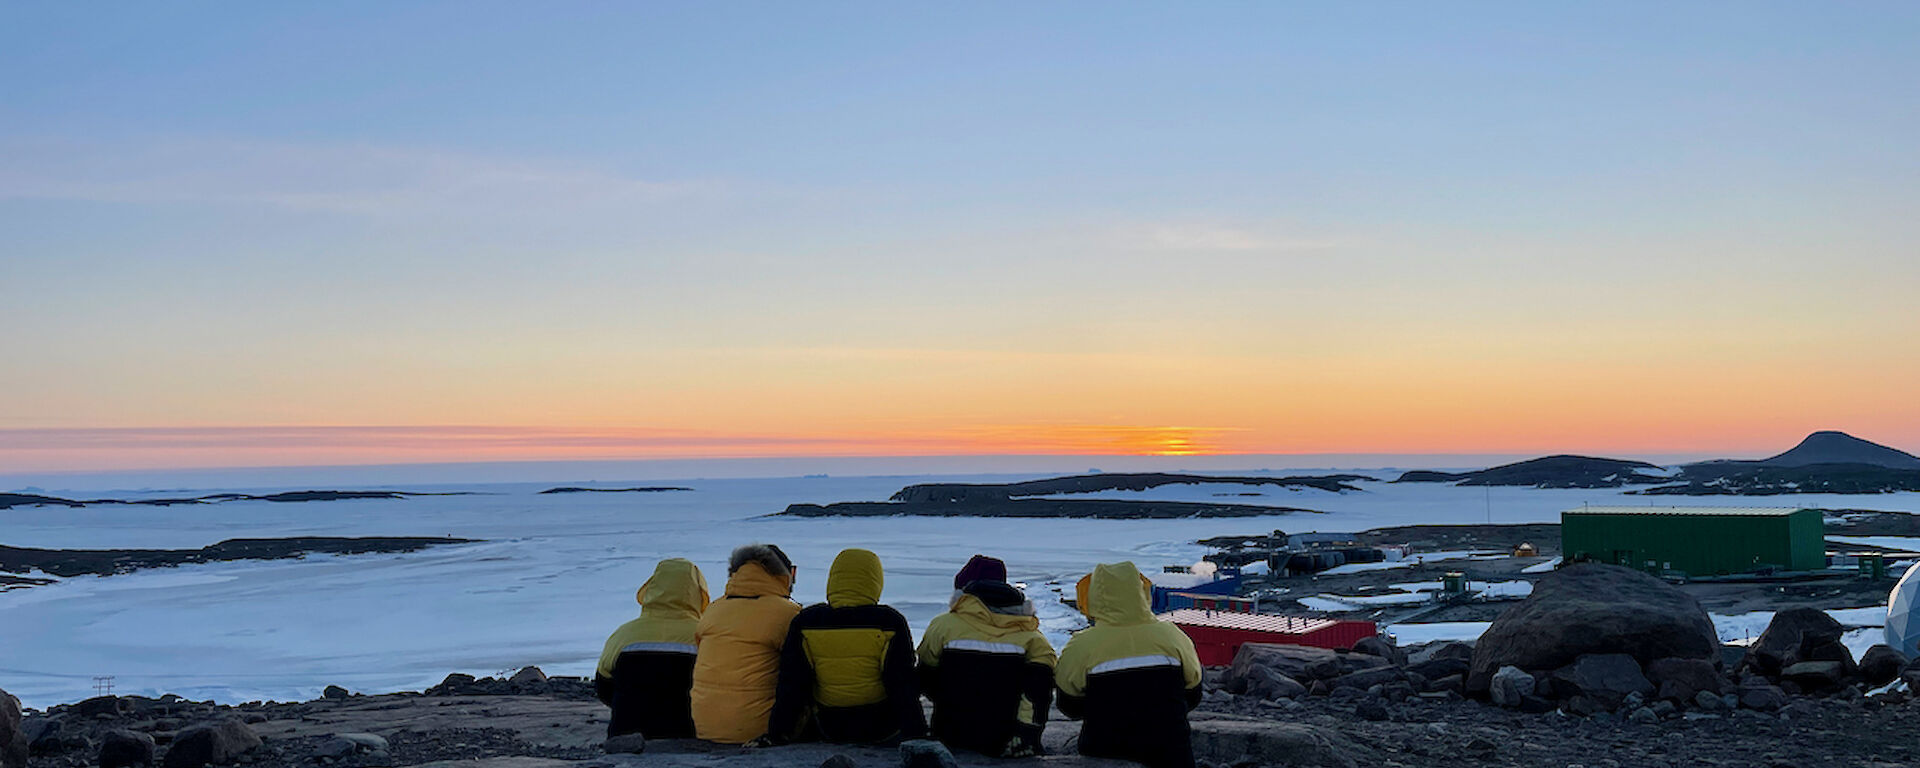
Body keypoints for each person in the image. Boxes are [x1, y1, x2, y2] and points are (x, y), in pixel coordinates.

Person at [764, 548, 926, 744]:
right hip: (882, 727)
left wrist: (777, 733)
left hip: (830, 726)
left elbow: (793, 684)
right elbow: (901, 684)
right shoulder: (889, 622)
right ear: (875, 580)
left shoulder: (807, 622)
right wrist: (918, 732)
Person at [1054, 561, 1203, 768]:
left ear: (1093, 595)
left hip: (1105, 753)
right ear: (1141, 591)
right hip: (1171, 753)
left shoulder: (1082, 645)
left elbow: (1068, 705)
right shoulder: (1172, 636)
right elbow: (1193, 693)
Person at [918, 555, 1056, 757]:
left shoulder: (943, 626)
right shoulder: (1031, 637)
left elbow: (925, 676)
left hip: (951, 734)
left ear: (963, 593)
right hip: (1009, 739)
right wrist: (1027, 732)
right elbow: (1039, 692)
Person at [690, 544, 802, 744]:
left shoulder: (714, 610)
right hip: (758, 730)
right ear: (786, 574)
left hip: (705, 727)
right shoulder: (787, 613)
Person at [594, 558, 709, 738]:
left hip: (627, 734)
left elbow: (603, 687)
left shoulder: (624, 634)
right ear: (699, 593)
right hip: (690, 734)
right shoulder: (706, 636)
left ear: (651, 589)